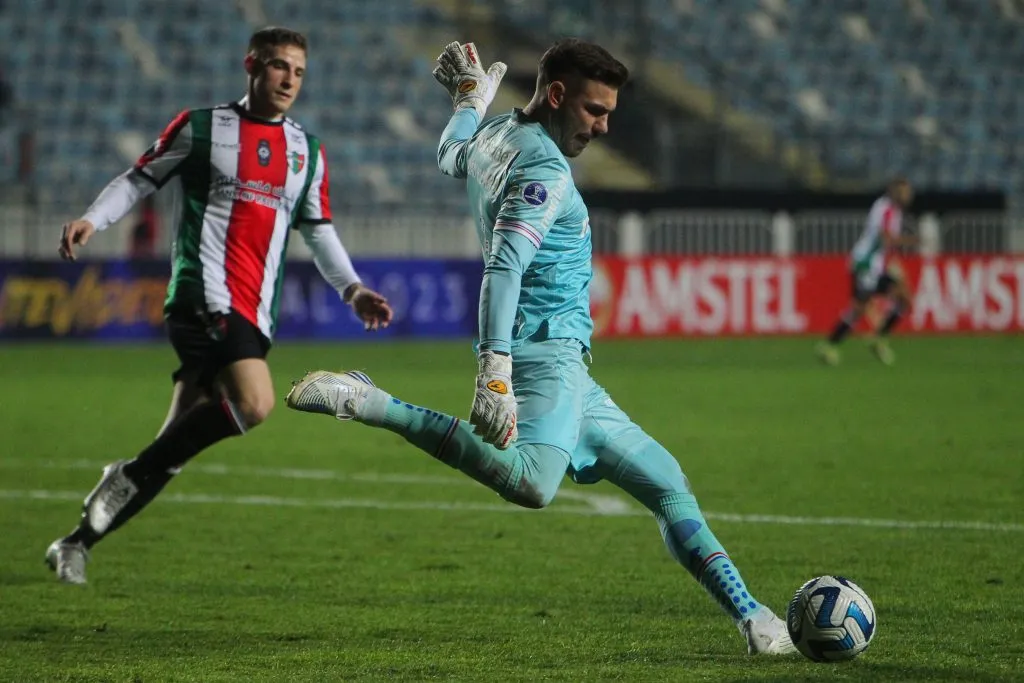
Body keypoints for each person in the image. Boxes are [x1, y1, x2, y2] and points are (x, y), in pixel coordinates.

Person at [285, 39, 795, 656]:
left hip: (569, 367)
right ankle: (372, 403)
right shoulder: (546, 172)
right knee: (532, 484)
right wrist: (494, 371)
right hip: (542, 356)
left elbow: (449, 156)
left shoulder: (498, 134)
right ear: (556, 94)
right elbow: (504, 267)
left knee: (666, 483)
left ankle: (754, 619)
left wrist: (468, 103)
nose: (603, 127)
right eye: (594, 111)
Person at [45, 26, 393, 585]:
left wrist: (352, 289)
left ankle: (76, 541)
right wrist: (93, 219)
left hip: (255, 311)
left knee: (170, 450)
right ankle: (127, 475)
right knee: (255, 403)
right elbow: (139, 180)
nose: (289, 80)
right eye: (279, 66)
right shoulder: (202, 127)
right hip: (202, 294)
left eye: (299, 72)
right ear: (251, 65)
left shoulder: (306, 151)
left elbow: (318, 229)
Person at [817, 178, 917, 366]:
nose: (908, 195)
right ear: (894, 191)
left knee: (904, 298)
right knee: (858, 309)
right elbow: (885, 237)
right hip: (865, 263)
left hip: (876, 265)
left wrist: (892, 263)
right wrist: (913, 241)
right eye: (905, 191)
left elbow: (886, 243)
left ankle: (878, 339)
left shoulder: (894, 211)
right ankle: (829, 345)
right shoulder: (885, 208)